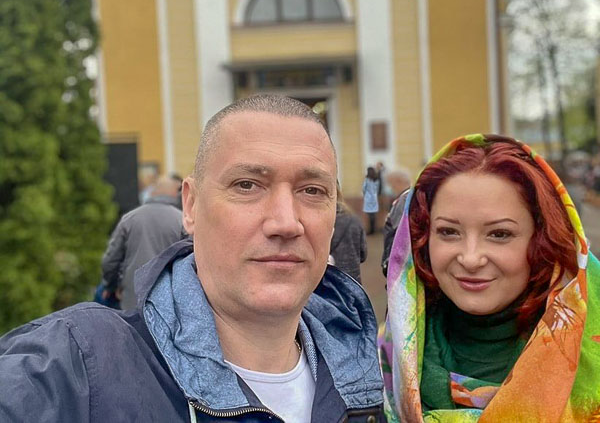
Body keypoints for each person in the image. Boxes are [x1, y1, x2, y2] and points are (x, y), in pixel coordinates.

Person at [0, 95, 385, 422]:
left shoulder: (377, 380)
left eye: (312, 190)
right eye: (247, 185)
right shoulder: (82, 366)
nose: (286, 222)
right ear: (191, 205)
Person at [378, 134, 600, 422]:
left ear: (542, 243)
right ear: (422, 238)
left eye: (499, 234)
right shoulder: (380, 357)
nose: (471, 258)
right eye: (448, 232)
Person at [100, 175, 185, 310]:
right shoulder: (183, 221)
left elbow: (111, 260)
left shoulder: (130, 219)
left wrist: (110, 286)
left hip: (132, 299)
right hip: (170, 303)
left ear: (153, 192)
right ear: (176, 193)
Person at [329, 193, 368, 283]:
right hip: (352, 281)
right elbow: (363, 254)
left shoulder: (321, 222)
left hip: (329, 282)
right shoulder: (355, 220)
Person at [381, 169, 412, 276]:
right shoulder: (406, 197)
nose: (390, 188)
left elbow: (400, 232)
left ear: (398, 181)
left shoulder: (404, 199)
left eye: (391, 184)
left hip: (400, 263)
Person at [362, 166, 380, 235]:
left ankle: (371, 230)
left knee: (369, 215)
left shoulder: (367, 179)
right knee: (374, 214)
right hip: (374, 198)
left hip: (368, 197)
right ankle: (374, 229)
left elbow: (364, 188)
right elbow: (377, 189)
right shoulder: (376, 179)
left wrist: (365, 194)